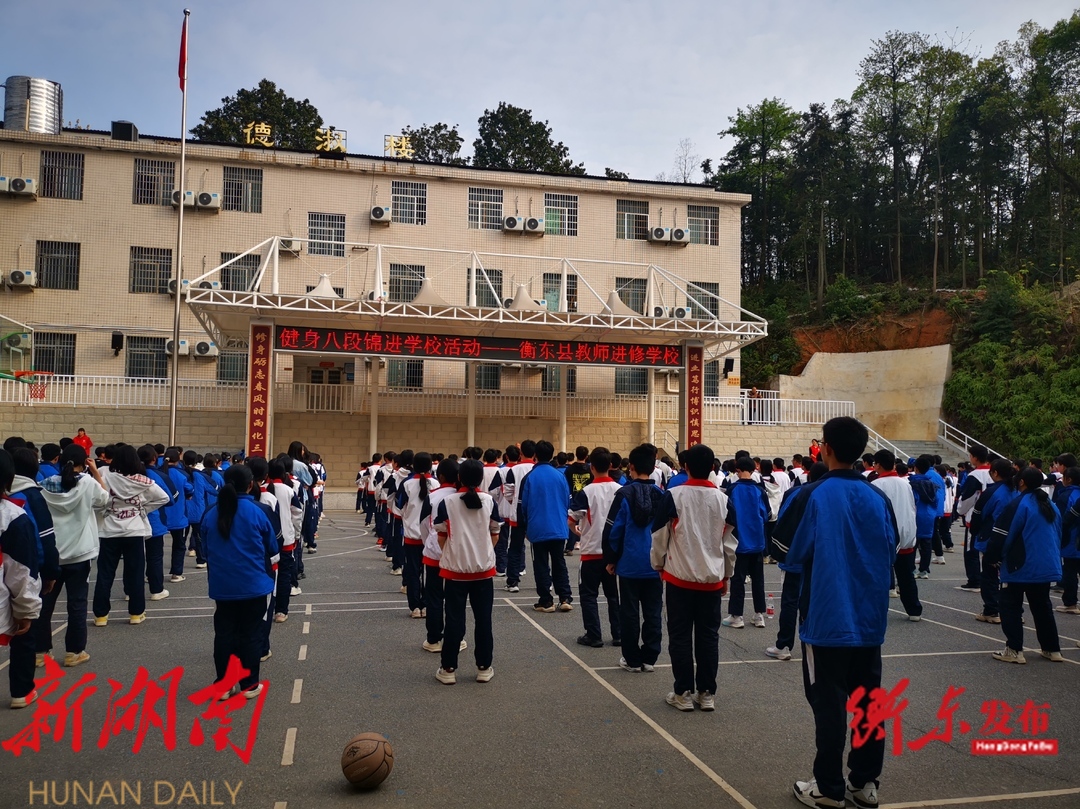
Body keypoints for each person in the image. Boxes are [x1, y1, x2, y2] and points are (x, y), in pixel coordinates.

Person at [779, 417, 897, 809]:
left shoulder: (811, 494)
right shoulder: (877, 497)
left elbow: (783, 549)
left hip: (826, 617)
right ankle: (864, 782)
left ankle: (829, 787)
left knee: (828, 704)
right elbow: (892, 547)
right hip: (869, 618)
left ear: (825, 448)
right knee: (869, 701)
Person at [651, 443, 736, 712]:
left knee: (679, 636)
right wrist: (727, 575)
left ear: (685, 466)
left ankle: (683, 692)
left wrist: (658, 564)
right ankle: (706, 692)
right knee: (709, 637)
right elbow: (730, 543)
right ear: (712, 467)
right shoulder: (723, 499)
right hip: (711, 579)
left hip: (679, 577)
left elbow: (659, 535)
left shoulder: (673, 495)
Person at [202, 463, 277, 698]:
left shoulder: (211, 512)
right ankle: (249, 684)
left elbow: (204, 550)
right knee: (251, 633)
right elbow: (273, 547)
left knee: (224, 634)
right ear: (251, 484)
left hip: (222, 585)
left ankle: (224, 685)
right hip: (254, 584)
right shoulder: (259, 511)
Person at [35, 445, 109, 668]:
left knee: (45, 604)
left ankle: (40, 651)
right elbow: (105, 500)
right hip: (79, 553)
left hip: (52, 554)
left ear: (60, 460)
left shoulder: (44, 485)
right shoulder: (87, 483)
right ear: (84, 462)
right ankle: (74, 652)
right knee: (76, 604)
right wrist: (95, 472)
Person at [984, 467, 1063, 664]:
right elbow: (1059, 532)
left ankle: (1014, 649)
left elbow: (1002, 535)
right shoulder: (1050, 504)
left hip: (1020, 564)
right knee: (1042, 607)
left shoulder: (1019, 504)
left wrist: (992, 557)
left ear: (1021, 482)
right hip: (1046, 563)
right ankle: (1052, 649)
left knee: (1010, 606)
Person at [433, 459, 501, 684]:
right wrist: (483, 553)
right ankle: (484, 667)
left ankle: (448, 669)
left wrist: (453, 553)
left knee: (454, 620)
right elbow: (495, 533)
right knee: (483, 620)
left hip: (455, 571)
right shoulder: (489, 501)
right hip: (483, 571)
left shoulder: (447, 502)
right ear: (481, 479)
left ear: (459, 477)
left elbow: (441, 536)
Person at [603, 443, 665, 673]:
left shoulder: (624, 495)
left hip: (629, 563)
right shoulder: (662, 495)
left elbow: (613, 530)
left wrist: (611, 558)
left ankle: (632, 659)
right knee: (653, 611)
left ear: (631, 467)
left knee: (628, 612)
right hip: (655, 563)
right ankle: (650, 656)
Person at [94, 445, 169, 627]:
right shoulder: (143, 481)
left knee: (105, 573)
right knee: (135, 573)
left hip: (109, 530)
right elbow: (164, 498)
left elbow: (96, 498)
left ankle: (101, 615)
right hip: (134, 530)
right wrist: (142, 509)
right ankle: (136, 613)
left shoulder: (104, 475)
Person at [767, 461, 828, 661]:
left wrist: (779, 551)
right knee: (816, 601)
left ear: (808, 475)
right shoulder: (830, 494)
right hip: (820, 559)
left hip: (794, 556)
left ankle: (784, 644)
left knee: (790, 601)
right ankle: (813, 642)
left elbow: (783, 521)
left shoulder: (795, 493)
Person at [0, 449, 43, 709]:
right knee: (24, 632)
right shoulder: (13, 516)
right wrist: (27, 609)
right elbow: (21, 571)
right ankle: (21, 690)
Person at [568, 448, 622, 647]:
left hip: (591, 551)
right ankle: (618, 634)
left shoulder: (587, 491)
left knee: (588, 595)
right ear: (611, 465)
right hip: (613, 552)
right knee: (613, 595)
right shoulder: (620, 489)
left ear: (591, 467)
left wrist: (577, 531)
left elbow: (572, 518)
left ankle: (594, 634)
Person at [518, 440, 573, 613]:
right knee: (559, 562)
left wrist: (525, 526)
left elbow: (523, 505)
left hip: (538, 526)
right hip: (558, 525)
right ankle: (565, 597)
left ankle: (546, 600)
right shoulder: (560, 476)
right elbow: (567, 501)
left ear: (535, 455)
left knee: (541, 564)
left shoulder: (530, 477)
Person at [421, 459, 466, 655]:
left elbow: (423, 525)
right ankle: (457, 638)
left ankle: (434, 639)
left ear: (440, 476)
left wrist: (429, 543)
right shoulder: (463, 497)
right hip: (457, 553)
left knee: (434, 597)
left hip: (434, 553)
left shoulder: (432, 497)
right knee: (456, 600)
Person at [871, 450, 921, 622]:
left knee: (881, 576)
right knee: (906, 576)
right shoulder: (905, 483)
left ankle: (878, 611)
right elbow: (912, 507)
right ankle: (914, 610)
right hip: (906, 533)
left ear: (877, 465)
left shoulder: (876, 485)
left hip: (886, 536)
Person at [722, 456, 771, 629]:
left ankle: (737, 615)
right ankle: (759, 614)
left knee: (738, 579)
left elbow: (727, 514)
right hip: (757, 540)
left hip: (739, 540)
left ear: (737, 469)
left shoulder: (732, 489)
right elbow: (767, 514)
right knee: (758, 579)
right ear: (753, 469)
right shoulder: (760, 490)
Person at [969, 460, 1019, 624]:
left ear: (995, 472)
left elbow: (978, 513)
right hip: (1014, 538)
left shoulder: (992, 492)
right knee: (1011, 577)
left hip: (993, 538)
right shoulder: (1017, 490)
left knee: (990, 575)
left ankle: (991, 610)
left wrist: (975, 531)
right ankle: (1015, 612)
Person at [398, 452, 438, 618]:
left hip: (412, 535)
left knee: (413, 572)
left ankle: (415, 607)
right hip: (430, 536)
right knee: (430, 573)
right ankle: (427, 605)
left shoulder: (407, 484)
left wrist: (408, 517)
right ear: (430, 466)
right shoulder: (436, 483)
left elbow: (399, 505)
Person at [503, 441, 536, 594]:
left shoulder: (514, 470)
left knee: (515, 548)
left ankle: (513, 582)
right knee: (539, 551)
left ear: (520, 453)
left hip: (518, 514)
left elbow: (508, 492)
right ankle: (545, 583)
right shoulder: (538, 469)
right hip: (536, 514)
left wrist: (515, 502)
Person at [162, 449, 192, 584]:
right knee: (179, 545)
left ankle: (151, 574)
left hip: (160, 515)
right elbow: (189, 489)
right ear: (178, 459)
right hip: (178, 514)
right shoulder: (182, 474)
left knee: (155, 549)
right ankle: (176, 573)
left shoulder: (157, 472)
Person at [1054, 466, 1080, 614]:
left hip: (1071, 539)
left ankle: (1070, 603)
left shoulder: (1066, 496)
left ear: (1068, 479)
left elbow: (1061, 520)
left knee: (1070, 570)